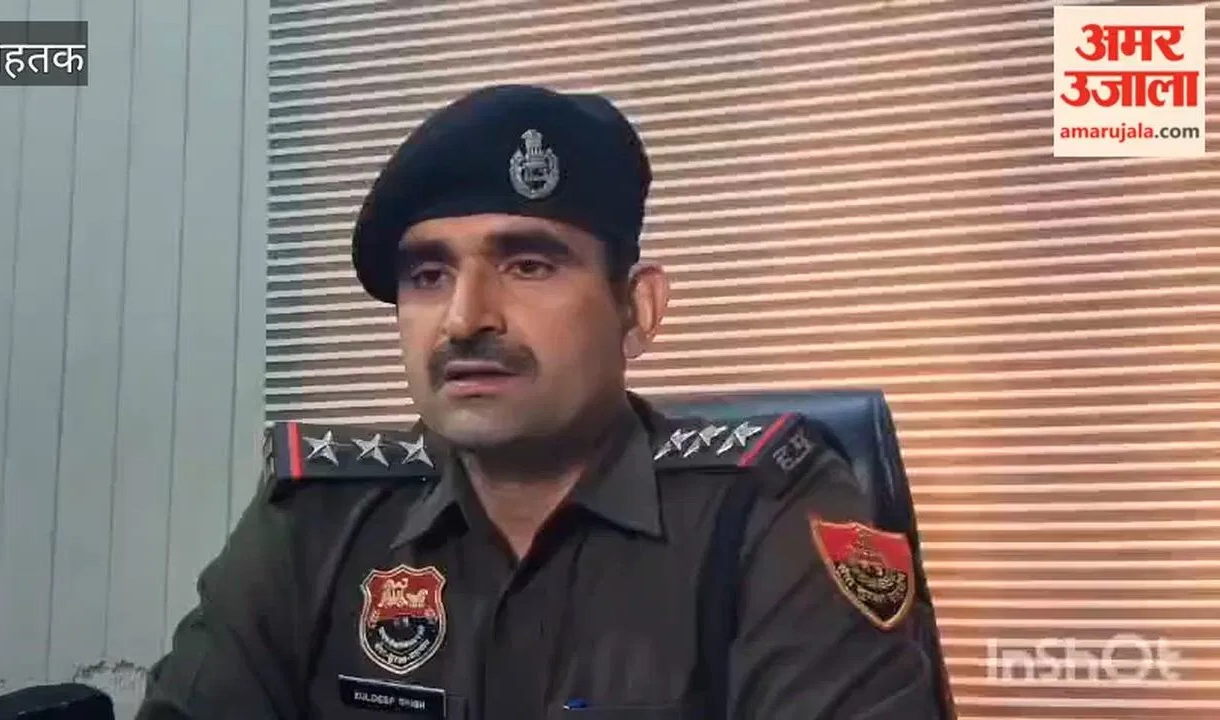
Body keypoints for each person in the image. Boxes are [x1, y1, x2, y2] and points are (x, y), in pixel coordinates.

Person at [136, 84, 939, 719]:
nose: (464, 319)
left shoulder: (767, 511)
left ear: (637, 309)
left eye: (528, 266)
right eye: (428, 276)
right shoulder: (315, 522)